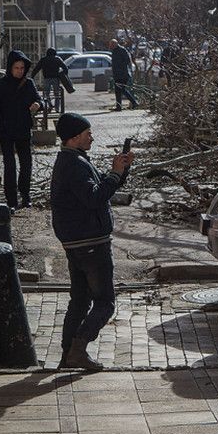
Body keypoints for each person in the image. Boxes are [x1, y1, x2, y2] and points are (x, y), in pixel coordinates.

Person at [50, 112, 134, 370]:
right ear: (75, 138)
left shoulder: (73, 159)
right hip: (90, 244)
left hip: (78, 242)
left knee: (80, 301)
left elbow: (103, 188)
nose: (92, 137)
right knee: (105, 303)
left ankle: (67, 356)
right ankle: (78, 349)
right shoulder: (74, 165)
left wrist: (121, 170)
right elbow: (95, 198)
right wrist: (113, 174)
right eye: (88, 134)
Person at [0, 50, 43, 208]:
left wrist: (38, 104)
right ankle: (11, 201)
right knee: (9, 166)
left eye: (22, 68)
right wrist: (1, 123)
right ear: (10, 67)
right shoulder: (0, 84)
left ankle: (25, 195)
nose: (20, 71)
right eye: (16, 68)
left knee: (26, 164)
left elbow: (39, 99)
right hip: (6, 132)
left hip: (23, 129)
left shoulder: (28, 83)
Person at [31, 48, 70, 114]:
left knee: (46, 94)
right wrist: (63, 74)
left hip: (47, 78)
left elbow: (36, 69)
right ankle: (57, 109)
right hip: (56, 78)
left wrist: (32, 77)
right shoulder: (57, 59)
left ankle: (49, 105)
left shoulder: (43, 60)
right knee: (57, 94)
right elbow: (65, 68)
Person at [109, 38, 139, 110]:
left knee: (122, 89)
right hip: (117, 74)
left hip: (123, 74)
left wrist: (120, 66)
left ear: (115, 44)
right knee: (117, 91)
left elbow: (128, 60)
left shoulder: (122, 50)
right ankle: (119, 106)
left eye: (112, 45)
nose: (110, 46)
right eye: (110, 45)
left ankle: (134, 102)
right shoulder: (114, 51)